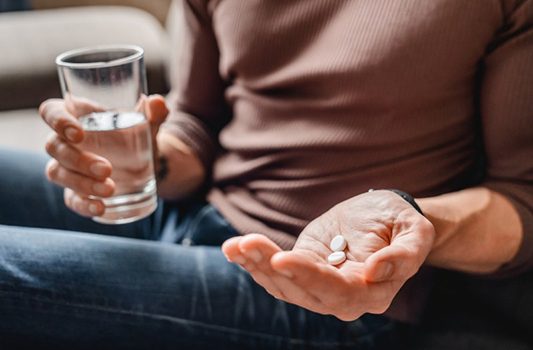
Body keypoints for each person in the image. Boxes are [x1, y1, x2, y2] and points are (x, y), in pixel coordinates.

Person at [1, 0, 532, 348]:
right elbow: (198, 126)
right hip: (189, 210)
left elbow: (522, 198)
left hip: (324, 290)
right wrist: (144, 156)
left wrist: (413, 218)